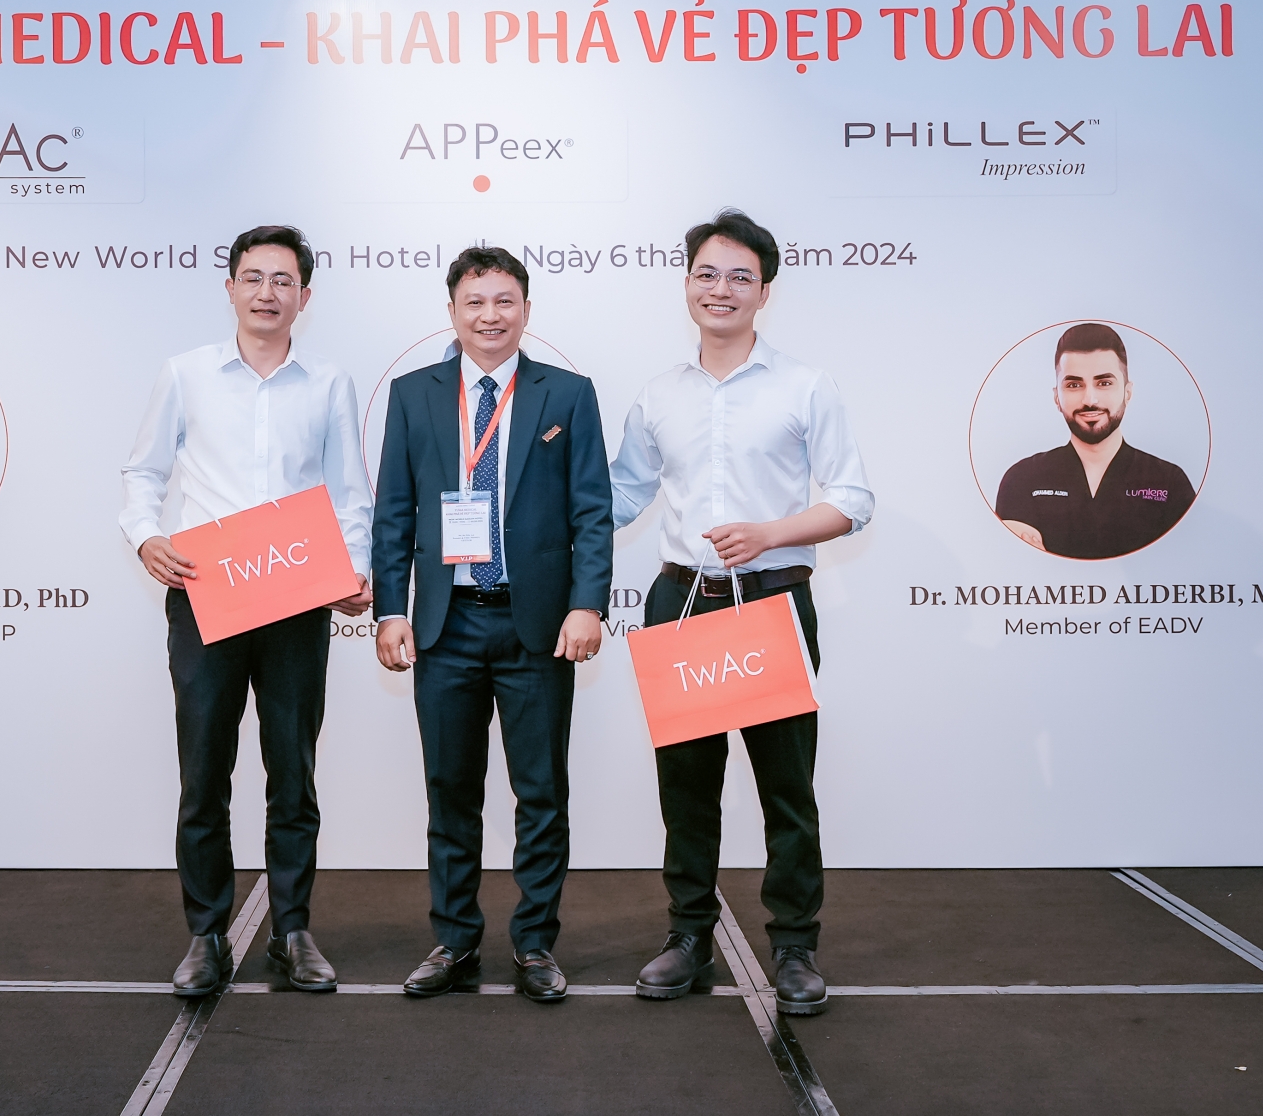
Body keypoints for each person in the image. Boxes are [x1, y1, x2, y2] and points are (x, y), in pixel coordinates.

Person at [610, 210, 874, 1017]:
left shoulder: (805, 384)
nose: (720, 289)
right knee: (686, 787)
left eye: (739, 277)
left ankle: (794, 946)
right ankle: (688, 936)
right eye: (706, 273)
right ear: (686, 283)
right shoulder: (657, 393)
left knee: (786, 786)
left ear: (765, 291)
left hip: (771, 597)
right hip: (682, 601)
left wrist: (769, 532)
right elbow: (620, 495)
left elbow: (853, 499)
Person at [120, 225, 373, 998]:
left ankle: (292, 931)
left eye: (283, 280)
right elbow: (143, 470)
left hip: (297, 597)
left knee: (293, 772)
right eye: (254, 278)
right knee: (205, 772)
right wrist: (146, 534)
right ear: (229, 288)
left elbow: (349, 491)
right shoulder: (186, 373)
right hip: (206, 592)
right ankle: (207, 935)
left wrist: (354, 569)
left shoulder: (328, 381)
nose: (268, 292)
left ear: (305, 295)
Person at [371, 247, 613, 1004]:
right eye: (474, 301)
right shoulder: (413, 395)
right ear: (452, 311)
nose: (490, 314)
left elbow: (593, 510)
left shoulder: (567, 394)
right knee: (450, 790)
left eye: (505, 300)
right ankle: (454, 939)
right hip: (446, 626)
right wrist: (390, 608)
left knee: (541, 792)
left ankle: (535, 943)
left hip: (537, 627)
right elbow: (393, 512)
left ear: (527, 310)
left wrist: (587, 603)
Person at [995, 323, 1196, 560]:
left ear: (1127, 393)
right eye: (1074, 385)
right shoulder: (1023, 480)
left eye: (1104, 383)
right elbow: (1014, 568)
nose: (1090, 399)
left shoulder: (1169, 483)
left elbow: (1188, 565)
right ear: (1057, 397)